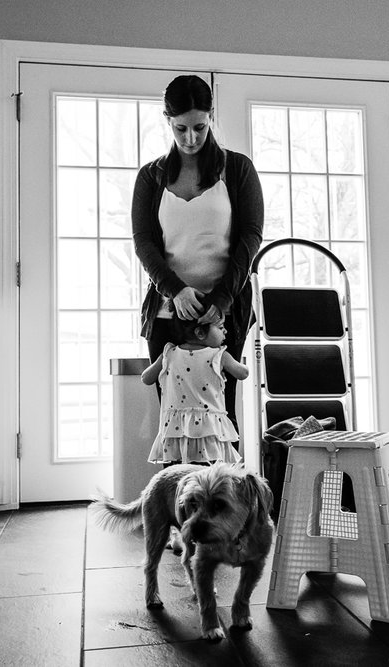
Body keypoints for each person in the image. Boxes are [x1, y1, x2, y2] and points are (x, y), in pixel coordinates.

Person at [132, 74, 264, 442]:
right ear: (167, 121)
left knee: (220, 418)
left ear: (211, 118)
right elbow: (143, 243)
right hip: (168, 311)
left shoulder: (237, 170)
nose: (190, 139)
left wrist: (221, 301)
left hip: (225, 312)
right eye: (181, 129)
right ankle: (175, 499)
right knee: (172, 420)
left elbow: (250, 238)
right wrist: (175, 290)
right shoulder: (150, 177)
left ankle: (226, 500)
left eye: (199, 128)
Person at [141, 312, 248, 466]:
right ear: (200, 333)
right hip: (208, 432)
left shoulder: (168, 354)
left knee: (178, 476)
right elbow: (243, 373)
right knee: (208, 478)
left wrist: (163, 362)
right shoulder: (218, 356)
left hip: (176, 433)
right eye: (220, 327)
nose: (225, 331)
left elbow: (146, 378)